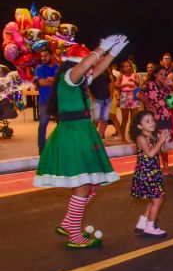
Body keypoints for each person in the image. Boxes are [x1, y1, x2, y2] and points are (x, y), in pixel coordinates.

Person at [35, 35, 129, 248]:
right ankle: (74, 236)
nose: (91, 71)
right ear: (75, 64)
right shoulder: (70, 76)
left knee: (92, 184)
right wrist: (100, 48)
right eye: (86, 65)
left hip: (82, 133)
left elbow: (95, 67)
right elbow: (88, 64)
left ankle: (69, 223)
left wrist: (113, 52)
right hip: (73, 136)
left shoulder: (77, 80)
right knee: (83, 185)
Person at [130, 110, 170, 237]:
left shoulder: (154, 136)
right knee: (157, 200)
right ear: (139, 126)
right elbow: (151, 153)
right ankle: (150, 226)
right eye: (147, 121)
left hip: (154, 171)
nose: (152, 123)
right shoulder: (141, 138)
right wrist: (160, 140)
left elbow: (162, 150)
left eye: (152, 120)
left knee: (155, 197)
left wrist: (165, 141)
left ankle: (143, 222)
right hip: (146, 173)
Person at [139, 65, 173, 177]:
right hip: (155, 117)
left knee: (164, 143)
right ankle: (152, 169)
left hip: (166, 116)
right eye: (160, 74)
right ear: (155, 74)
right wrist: (149, 106)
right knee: (155, 142)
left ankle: (166, 169)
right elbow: (139, 94)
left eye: (165, 74)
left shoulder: (166, 86)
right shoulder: (149, 84)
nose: (163, 76)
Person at [34, 48, 59, 153]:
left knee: (61, 123)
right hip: (45, 100)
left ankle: (60, 144)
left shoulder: (59, 67)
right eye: (42, 56)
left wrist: (49, 79)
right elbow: (42, 83)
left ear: (52, 55)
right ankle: (42, 147)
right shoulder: (39, 68)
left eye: (46, 55)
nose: (43, 58)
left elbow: (62, 81)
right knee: (43, 123)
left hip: (58, 100)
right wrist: (55, 80)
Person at [116, 59, 140, 144]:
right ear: (123, 68)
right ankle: (123, 138)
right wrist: (125, 85)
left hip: (133, 95)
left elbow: (138, 85)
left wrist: (133, 81)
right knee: (125, 118)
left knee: (134, 119)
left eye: (129, 66)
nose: (128, 67)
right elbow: (116, 86)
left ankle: (133, 137)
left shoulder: (135, 75)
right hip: (124, 96)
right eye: (126, 66)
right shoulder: (121, 76)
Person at [89, 66, 116, 140]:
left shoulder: (105, 70)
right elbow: (87, 86)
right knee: (95, 120)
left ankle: (99, 138)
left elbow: (109, 83)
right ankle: (92, 138)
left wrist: (111, 95)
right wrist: (92, 97)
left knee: (104, 119)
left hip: (106, 97)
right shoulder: (90, 70)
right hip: (96, 98)